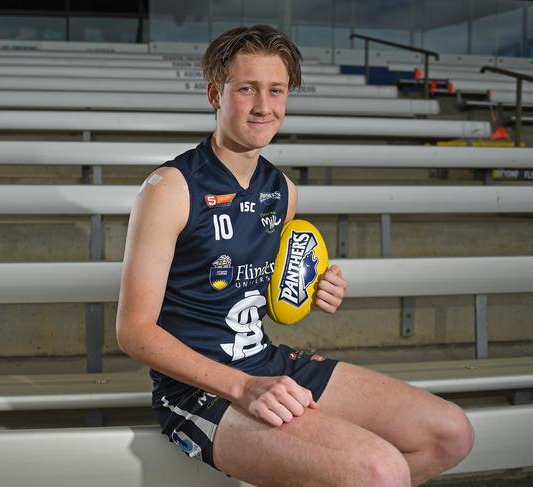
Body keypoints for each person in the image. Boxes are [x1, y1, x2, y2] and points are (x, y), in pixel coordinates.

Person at [116, 24, 474, 487]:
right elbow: (133, 332)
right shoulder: (171, 188)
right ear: (215, 95)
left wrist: (315, 285)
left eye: (276, 90)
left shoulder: (282, 190)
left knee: (450, 435)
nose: (264, 106)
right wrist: (242, 387)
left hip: (267, 362)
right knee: (382, 472)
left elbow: (271, 299)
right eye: (246, 89)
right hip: (199, 391)